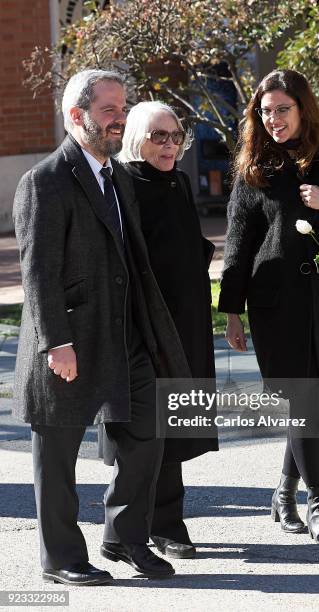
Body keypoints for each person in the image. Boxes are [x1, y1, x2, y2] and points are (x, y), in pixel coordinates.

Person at [13, 69, 192, 584]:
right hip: (68, 341)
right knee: (57, 456)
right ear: (78, 116)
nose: (120, 118)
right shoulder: (44, 181)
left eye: (122, 107)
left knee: (148, 435)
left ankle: (124, 536)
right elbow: (38, 271)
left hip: (124, 336)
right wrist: (57, 343)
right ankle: (62, 559)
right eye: (109, 109)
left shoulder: (117, 179)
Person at [218, 69, 319, 544]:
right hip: (276, 305)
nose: (273, 120)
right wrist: (231, 310)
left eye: (282, 109)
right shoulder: (255, 169)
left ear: (303, 108)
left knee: (309, 402)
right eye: (264, 112)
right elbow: (239, 244)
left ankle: (284, 492)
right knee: (300, 399)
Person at [108, 100, 217, 558]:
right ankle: (159, 524)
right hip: (148, 324)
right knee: (151, 423)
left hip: (187, 318)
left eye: (175, 136)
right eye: (159, 136)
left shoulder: (179, 180)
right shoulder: (123, 183)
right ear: (136, 138)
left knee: (177, 421)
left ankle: (168, 519)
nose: (170, 144)